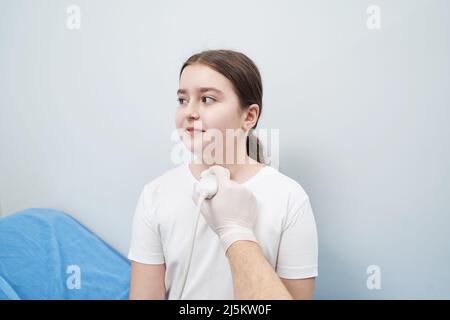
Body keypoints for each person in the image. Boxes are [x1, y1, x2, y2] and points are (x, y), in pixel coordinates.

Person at [128, 49, 318, 300]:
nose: (190, 112)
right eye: (182, 100)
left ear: (249, 116)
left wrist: (235, 229)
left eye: (207, 99)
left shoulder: (289, 198)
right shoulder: (155, 194)